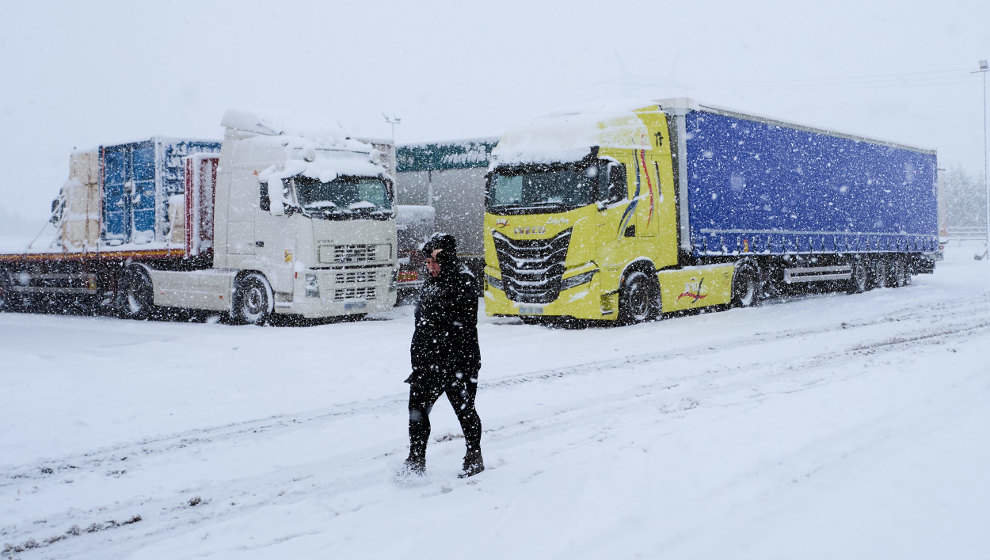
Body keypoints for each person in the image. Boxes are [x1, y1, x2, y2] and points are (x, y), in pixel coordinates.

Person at [404, 232, 484, 477]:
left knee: (465, 410)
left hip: (459, 361)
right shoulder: (431, 283)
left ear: (448, 259)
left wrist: (446, 268)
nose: (431, 267)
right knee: (416, 410)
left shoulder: (463, 280)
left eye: (435, 262)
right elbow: (422, 323)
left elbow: (461, 319)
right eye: (428, 263)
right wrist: (418, 358)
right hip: (429, 363)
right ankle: (416, 459)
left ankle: (474, 455)